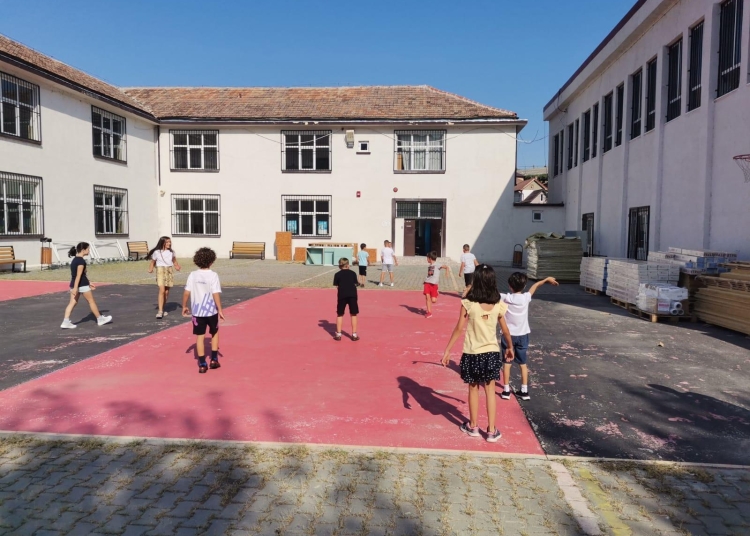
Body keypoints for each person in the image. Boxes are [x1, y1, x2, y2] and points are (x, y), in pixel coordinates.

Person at [441, 264, 514, 442]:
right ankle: (491, 431)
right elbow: (505, 330)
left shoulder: (468, 304)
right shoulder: (498, 305)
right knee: (490, 390)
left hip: (472, 352)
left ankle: (473, 426)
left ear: (476, 281)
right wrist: (510, 347)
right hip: (491, 352)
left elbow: (459, 328)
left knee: (473, 389)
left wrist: (448, 350)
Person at [500, 272, 558, 401]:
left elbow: (490, 292)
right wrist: (546, 279)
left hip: (508, 336)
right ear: (524, 285)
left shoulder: (505, 297)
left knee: (507, 362)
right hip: (523, 335)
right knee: (523, 363)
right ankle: (524, 390)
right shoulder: (526, 297)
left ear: (509, 286)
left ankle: (506, 390)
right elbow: (535, 286)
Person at [182, 247, 224, 374]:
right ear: (211, 261)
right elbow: (215, 293)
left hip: (197, 312)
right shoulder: (213, 275)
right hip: (211, 311)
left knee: (200, 337)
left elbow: (186, 292)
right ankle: (214, 360)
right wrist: (220, 309)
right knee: (214, 333)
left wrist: (184, 305)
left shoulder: (193, 275)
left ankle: (202, 364)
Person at [60, 242, 112, 329]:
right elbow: (78, 275)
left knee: (72, 303)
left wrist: (89, 282)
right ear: (83, 250)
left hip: (76, 284)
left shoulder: (75, 260)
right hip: (81, 285)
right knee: (91, 301)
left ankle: (65, 322)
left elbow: (81, 275)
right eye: (88, 249)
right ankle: (100, 319)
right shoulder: (81, 261)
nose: (89, 251)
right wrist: (76, 288)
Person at [147, 236, 182, 319]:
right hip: (160, 271)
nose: (169, 243)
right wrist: (150, 269)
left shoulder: (171, 252)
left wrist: (177, 267)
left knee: (166, 292)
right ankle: (160, 311)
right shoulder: (157, 252)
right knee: (162, 290)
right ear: (162, 243)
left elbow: (174, 261)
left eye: (170, 242)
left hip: (169, 271)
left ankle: (163, 308)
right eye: (167, 242)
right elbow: (153, 262)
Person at [333, 257, 359, 341]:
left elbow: (337, 286)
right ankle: (354, 334)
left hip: (342, 296)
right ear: (348, 265)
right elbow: (355, 283)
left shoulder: (337, 274)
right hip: (352, 295)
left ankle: (338, 334)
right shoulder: (353, 273)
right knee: (353, 314)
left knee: (340, 314)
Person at [423, 251, 449, 319]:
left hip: (434, 285)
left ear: (430, 258)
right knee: (427, 297)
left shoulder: (437, 264)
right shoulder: (429, 266)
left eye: (427, 258)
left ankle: (436, 292)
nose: (426, 259)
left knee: (433, 300)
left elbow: (446, 267)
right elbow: (430, 275)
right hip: (427, 283)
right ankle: (429, 312)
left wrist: (447, 271)